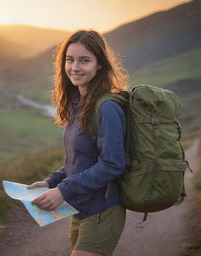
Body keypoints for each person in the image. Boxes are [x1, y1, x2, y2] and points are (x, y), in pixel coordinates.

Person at [27, 29, 128, 256]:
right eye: (70, 60)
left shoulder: (107, 108)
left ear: (99, 64)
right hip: (79, 208)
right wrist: (51, 182)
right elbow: (80, 160)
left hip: (103, 210)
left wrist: (63, 190)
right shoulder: (77, 103)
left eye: (84, 61)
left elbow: (113, 164)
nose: (74, 67)